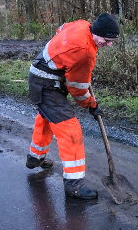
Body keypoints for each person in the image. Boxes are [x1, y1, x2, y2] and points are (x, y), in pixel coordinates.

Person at [25, 12, 120, 199]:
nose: (108, 44)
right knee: (70, 131)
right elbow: (77, 88)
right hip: (47, 84)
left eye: (111, 41)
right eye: (106, 40)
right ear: (96, 31)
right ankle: (74, 185)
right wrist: (91, 105)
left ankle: (34, 158)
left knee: (46, 119)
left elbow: (61, 29)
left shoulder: (82, 25)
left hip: (40, 75)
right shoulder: (84, 52)